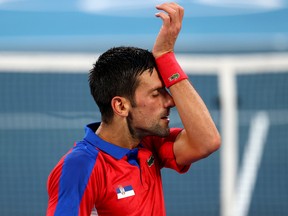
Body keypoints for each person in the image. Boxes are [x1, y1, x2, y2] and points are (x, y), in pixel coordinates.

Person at [46, 2, 221, 216]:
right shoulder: (82, 166)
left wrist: (165, 56)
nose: (170, 101)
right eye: (157, 94)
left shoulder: (148, 143)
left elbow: (207, 141)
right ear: (121, 106)